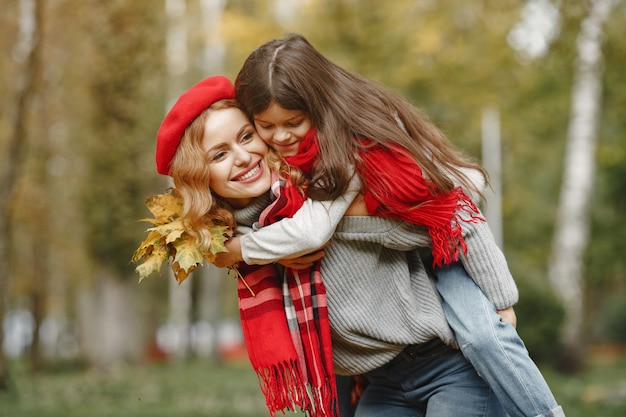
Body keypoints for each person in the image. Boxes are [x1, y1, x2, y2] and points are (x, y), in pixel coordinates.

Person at [215, 33, 565, 417]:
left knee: (486, 336)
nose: (280, 136)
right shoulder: (288, 172)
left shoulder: (351, 146)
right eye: (265, 126)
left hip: (443, 248)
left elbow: (458, 214)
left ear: (318, 106)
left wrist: (503, 300)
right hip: (384, 373)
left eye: (293, 122)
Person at [155, 75, 508, 417]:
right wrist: (235, 249)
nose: (243, 156)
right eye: (219, 155)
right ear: (201, 178)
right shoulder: (237, 226)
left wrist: (500, 303)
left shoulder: (322, 184)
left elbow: (450, 210)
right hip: (378, 378)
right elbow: (210, 239)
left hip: (444, 353)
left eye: (246, 136)